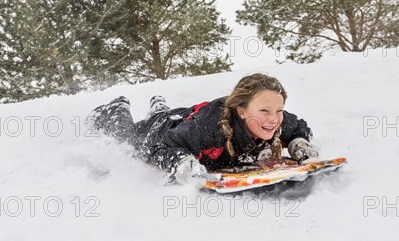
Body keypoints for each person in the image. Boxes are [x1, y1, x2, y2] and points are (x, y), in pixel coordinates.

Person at [87, 73, 319, 183]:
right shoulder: (211, 128)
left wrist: (299, 143)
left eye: (279, 110)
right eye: (265, 111)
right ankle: (115, 108)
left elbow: (298, 126)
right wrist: (181, 163)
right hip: (160, 131)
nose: (274, 119)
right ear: (241, 110)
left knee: (172, 118)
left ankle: (159, 108)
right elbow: (159, 147)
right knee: (126, 138)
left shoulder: (276, 120)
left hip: (183, 118)